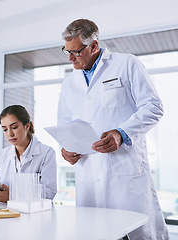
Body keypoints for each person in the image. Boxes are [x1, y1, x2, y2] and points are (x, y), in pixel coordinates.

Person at [57, 19, 169, 239]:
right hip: (88, 174)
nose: (70, 58)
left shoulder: (127, 64)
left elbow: (153, 107)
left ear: (94, 46)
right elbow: (65, 124)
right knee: (94, 232)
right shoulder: (70, 83)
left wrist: (121, 133)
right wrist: (65, 148)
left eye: (76, 52)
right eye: (67, 51)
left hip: (124, 174)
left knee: (132, 232)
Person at [0, 105, 57, 203]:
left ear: (27, 126)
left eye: (14, 127)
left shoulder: (46, 153)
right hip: (6, 213)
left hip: (34, 213)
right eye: (5, 129)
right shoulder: (2, 155)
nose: (10, 134)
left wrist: (13, 196)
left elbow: (49, 193)